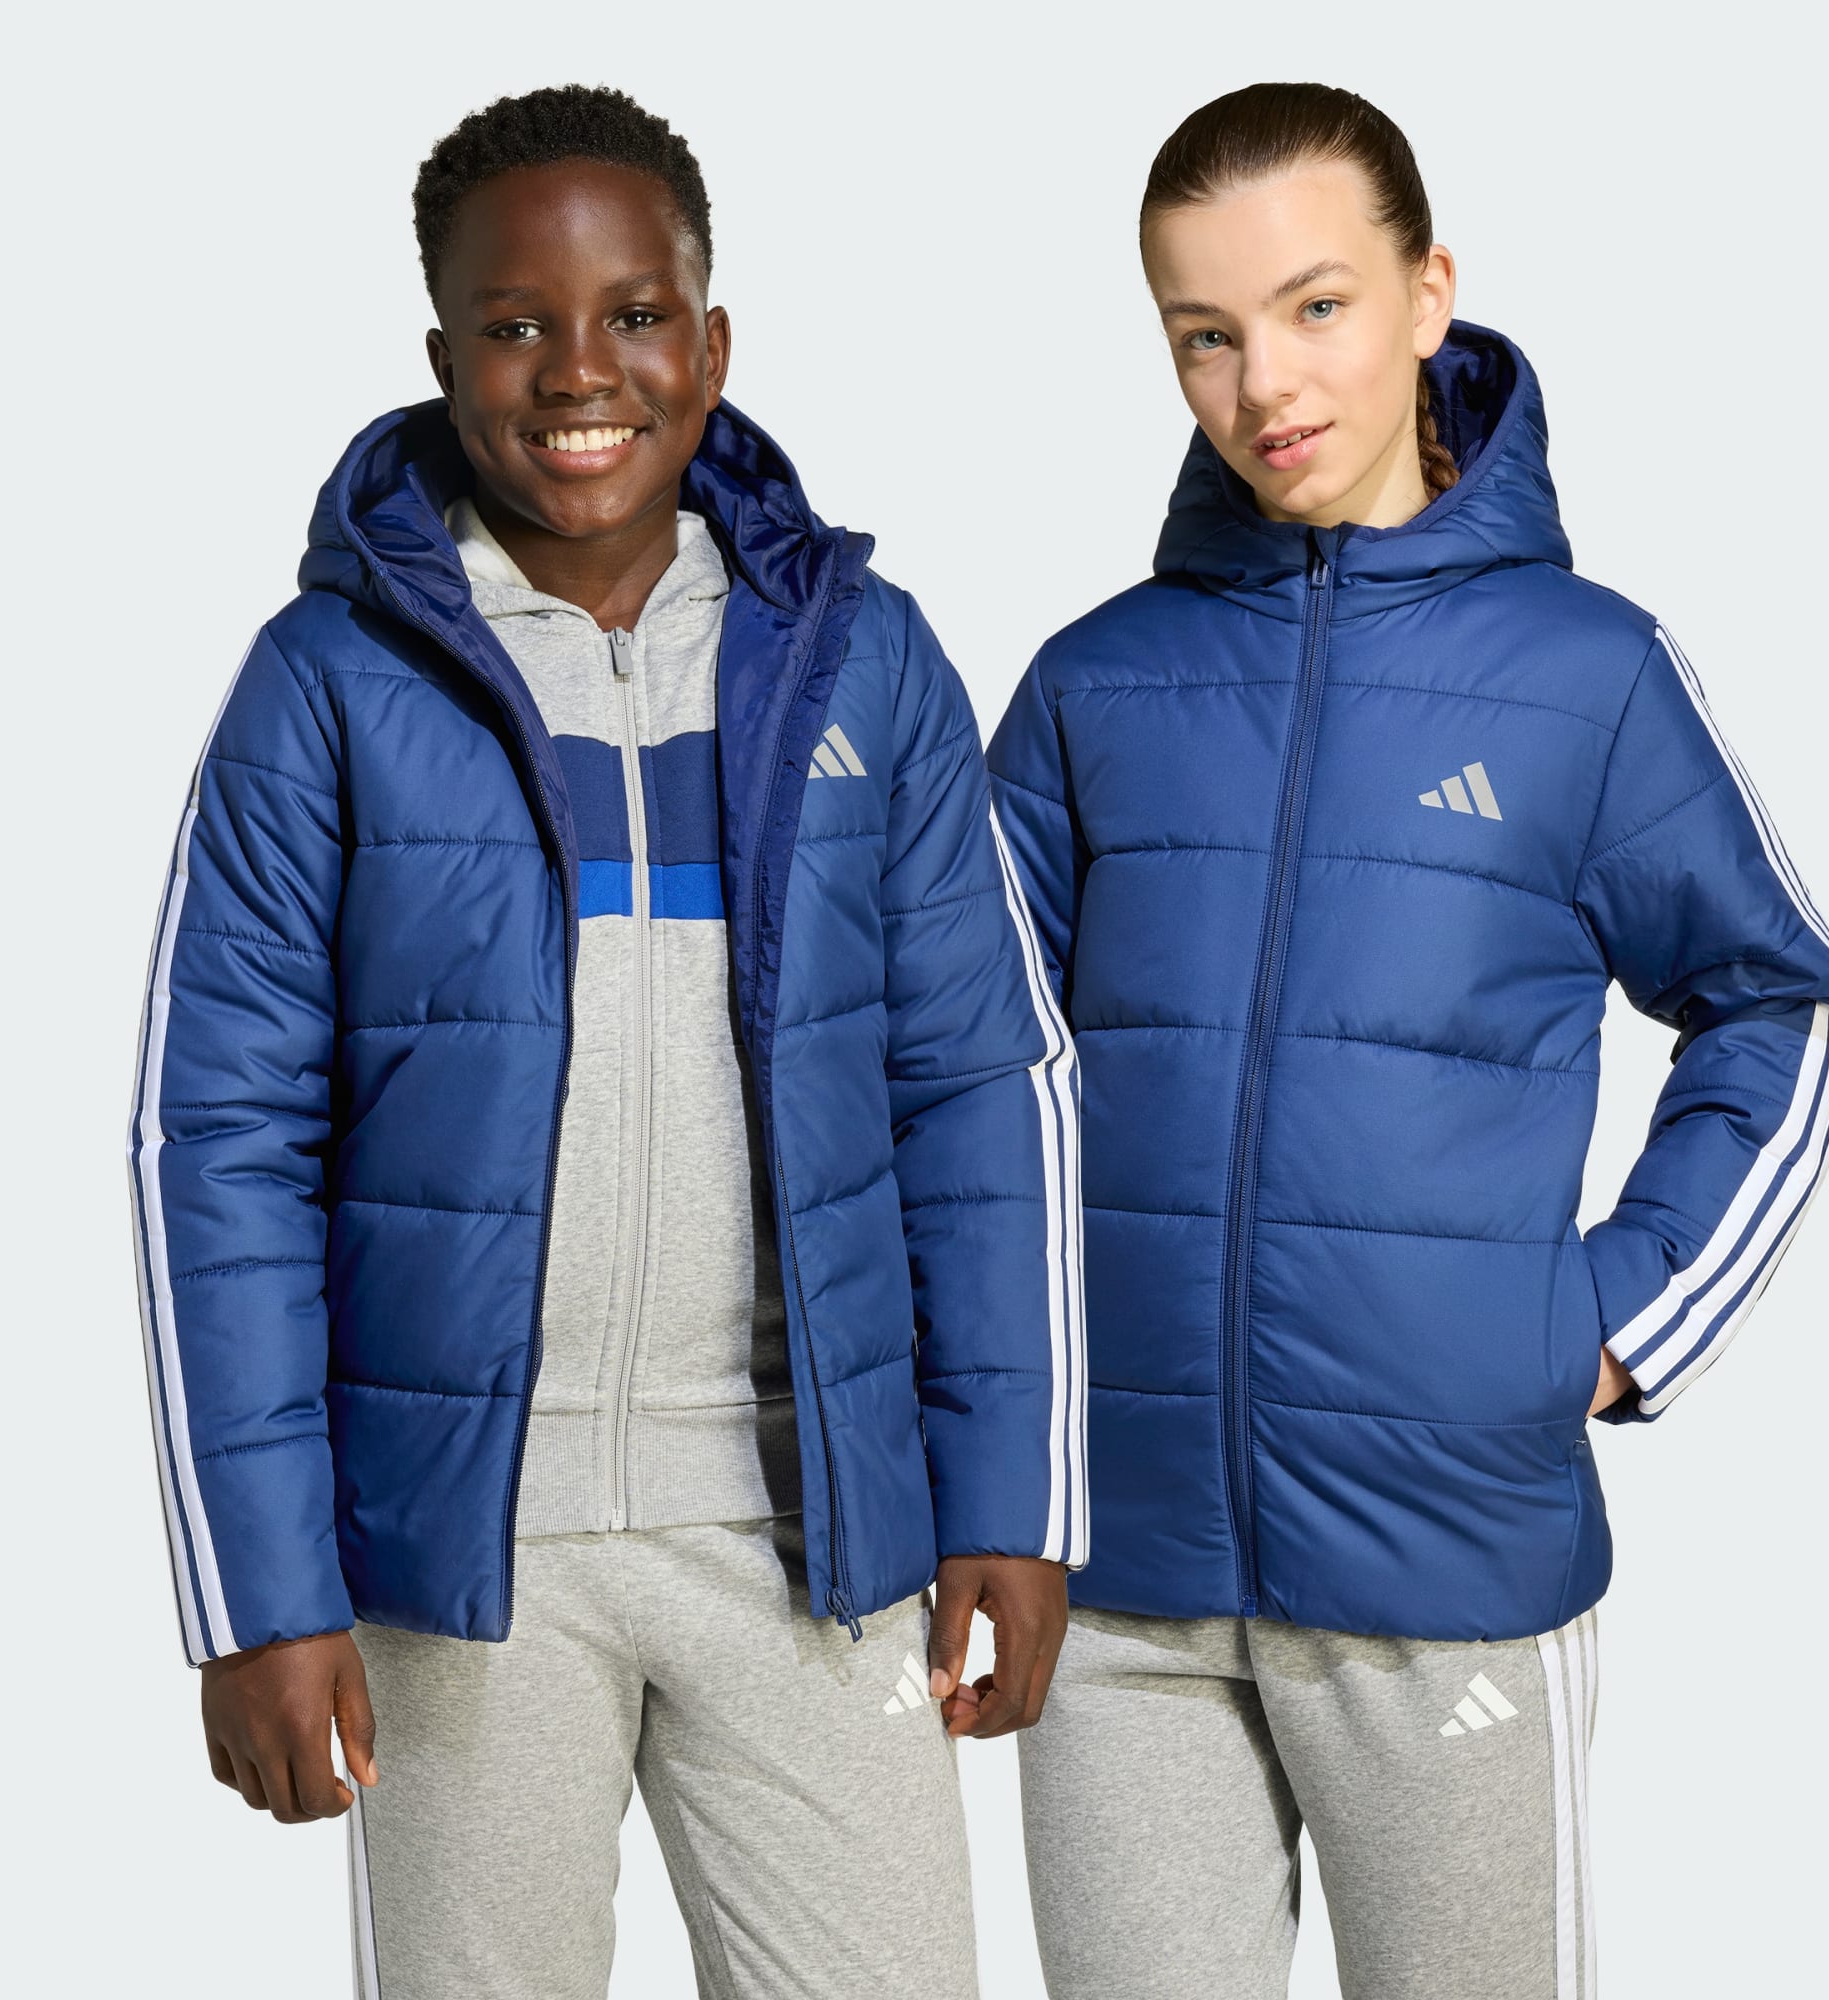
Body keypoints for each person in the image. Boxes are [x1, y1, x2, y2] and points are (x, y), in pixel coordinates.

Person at [126, 84, 1085, 2000]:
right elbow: (214, 1142)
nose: (580, 370)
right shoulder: (327, 685)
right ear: (442, 359)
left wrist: (1013, 1495)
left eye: (634, 315)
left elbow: (982, 1087)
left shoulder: (864, 659)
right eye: (517, 324)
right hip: (466, 1560)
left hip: (809, 1530)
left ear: (710, 346)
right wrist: (256, 1592)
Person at [989, 81, 1829, 2000]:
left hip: (1448, 1563)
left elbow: (1788, 1010)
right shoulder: (1092, 684)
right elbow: (964, 1076)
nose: (1265, 385)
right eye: (1204, 335)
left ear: (1427, 294)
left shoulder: (1588, 675)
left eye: (1315, 308)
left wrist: (1620, 1323)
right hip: (1116, 1582)